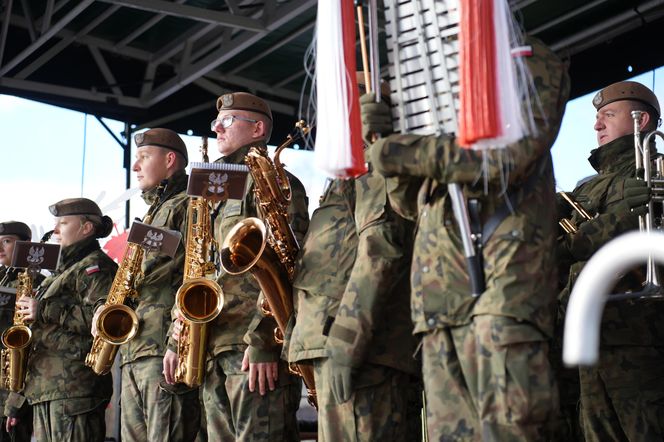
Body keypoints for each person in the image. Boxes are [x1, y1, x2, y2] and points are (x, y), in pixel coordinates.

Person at [362, 36, 570, 440]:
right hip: (439, 303)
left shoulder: (523, 58)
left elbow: (507, 158)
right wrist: (383, 142)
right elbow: (411, 205)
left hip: (500, 293)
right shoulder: (435, 85)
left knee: (513, 429)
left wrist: (403, 150)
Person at [163, 92, 309, 441]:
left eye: (227, 121)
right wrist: (177, 336)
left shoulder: (274, 181)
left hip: (250, 349)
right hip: (212, 344)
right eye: (216, 122)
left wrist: (263, 342)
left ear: (258, 128)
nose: (216, 128)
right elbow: (197, 267)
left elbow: (289, 265)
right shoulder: (217, 188)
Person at [286, 74, 421, 441]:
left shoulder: (373, 160)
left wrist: (347, 340)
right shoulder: (350, 168)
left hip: (360, 348)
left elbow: (382, 250)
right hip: (340, 341)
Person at [556, 80, 664, 441]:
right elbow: (553, 250)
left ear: (641, 119)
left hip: (642, 340)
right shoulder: (588, 188)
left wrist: (586, 237)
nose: (597, 125)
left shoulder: (658, 170)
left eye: (607, 115)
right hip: (588, 340)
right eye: (597, 117)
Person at [113, 128, 200, 441]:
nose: (135, 166)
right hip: (137, 348)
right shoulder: (153, 211)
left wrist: (178, 342)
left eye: (143, 157)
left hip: (164, 348)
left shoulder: (188, 204)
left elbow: (197, 277)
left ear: (170, 160)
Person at [14, 199, 116, 441]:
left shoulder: (96, 266)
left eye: (63, 223)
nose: (56, 230)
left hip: (76, 388)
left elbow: (102, 321)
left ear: (86, 228)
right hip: (47, 388)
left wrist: (44, 309)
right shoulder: (63, 271)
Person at [0, 221, 39, 442]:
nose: (0, 249)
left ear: (25, 246)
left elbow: (33, 351)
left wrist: (16, 403)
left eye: (6, 241)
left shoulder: (37, 284)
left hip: (12, 398)